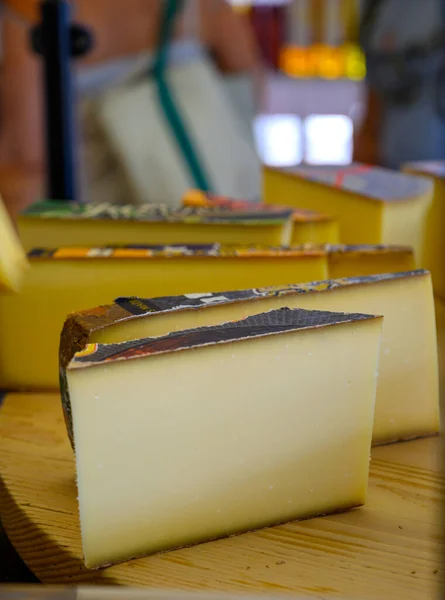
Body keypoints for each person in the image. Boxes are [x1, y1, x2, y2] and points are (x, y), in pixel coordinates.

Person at [0, 0, 262, 213]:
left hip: (96, 238)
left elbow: (24, 156)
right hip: (210, 224)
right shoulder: (202, 6)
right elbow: (247, 91)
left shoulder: (28, 10)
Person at [354, 0, 445, 169]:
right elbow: (377, 78)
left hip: (435, 160)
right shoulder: (379, 7)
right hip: (391, 162)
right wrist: (368, 135)